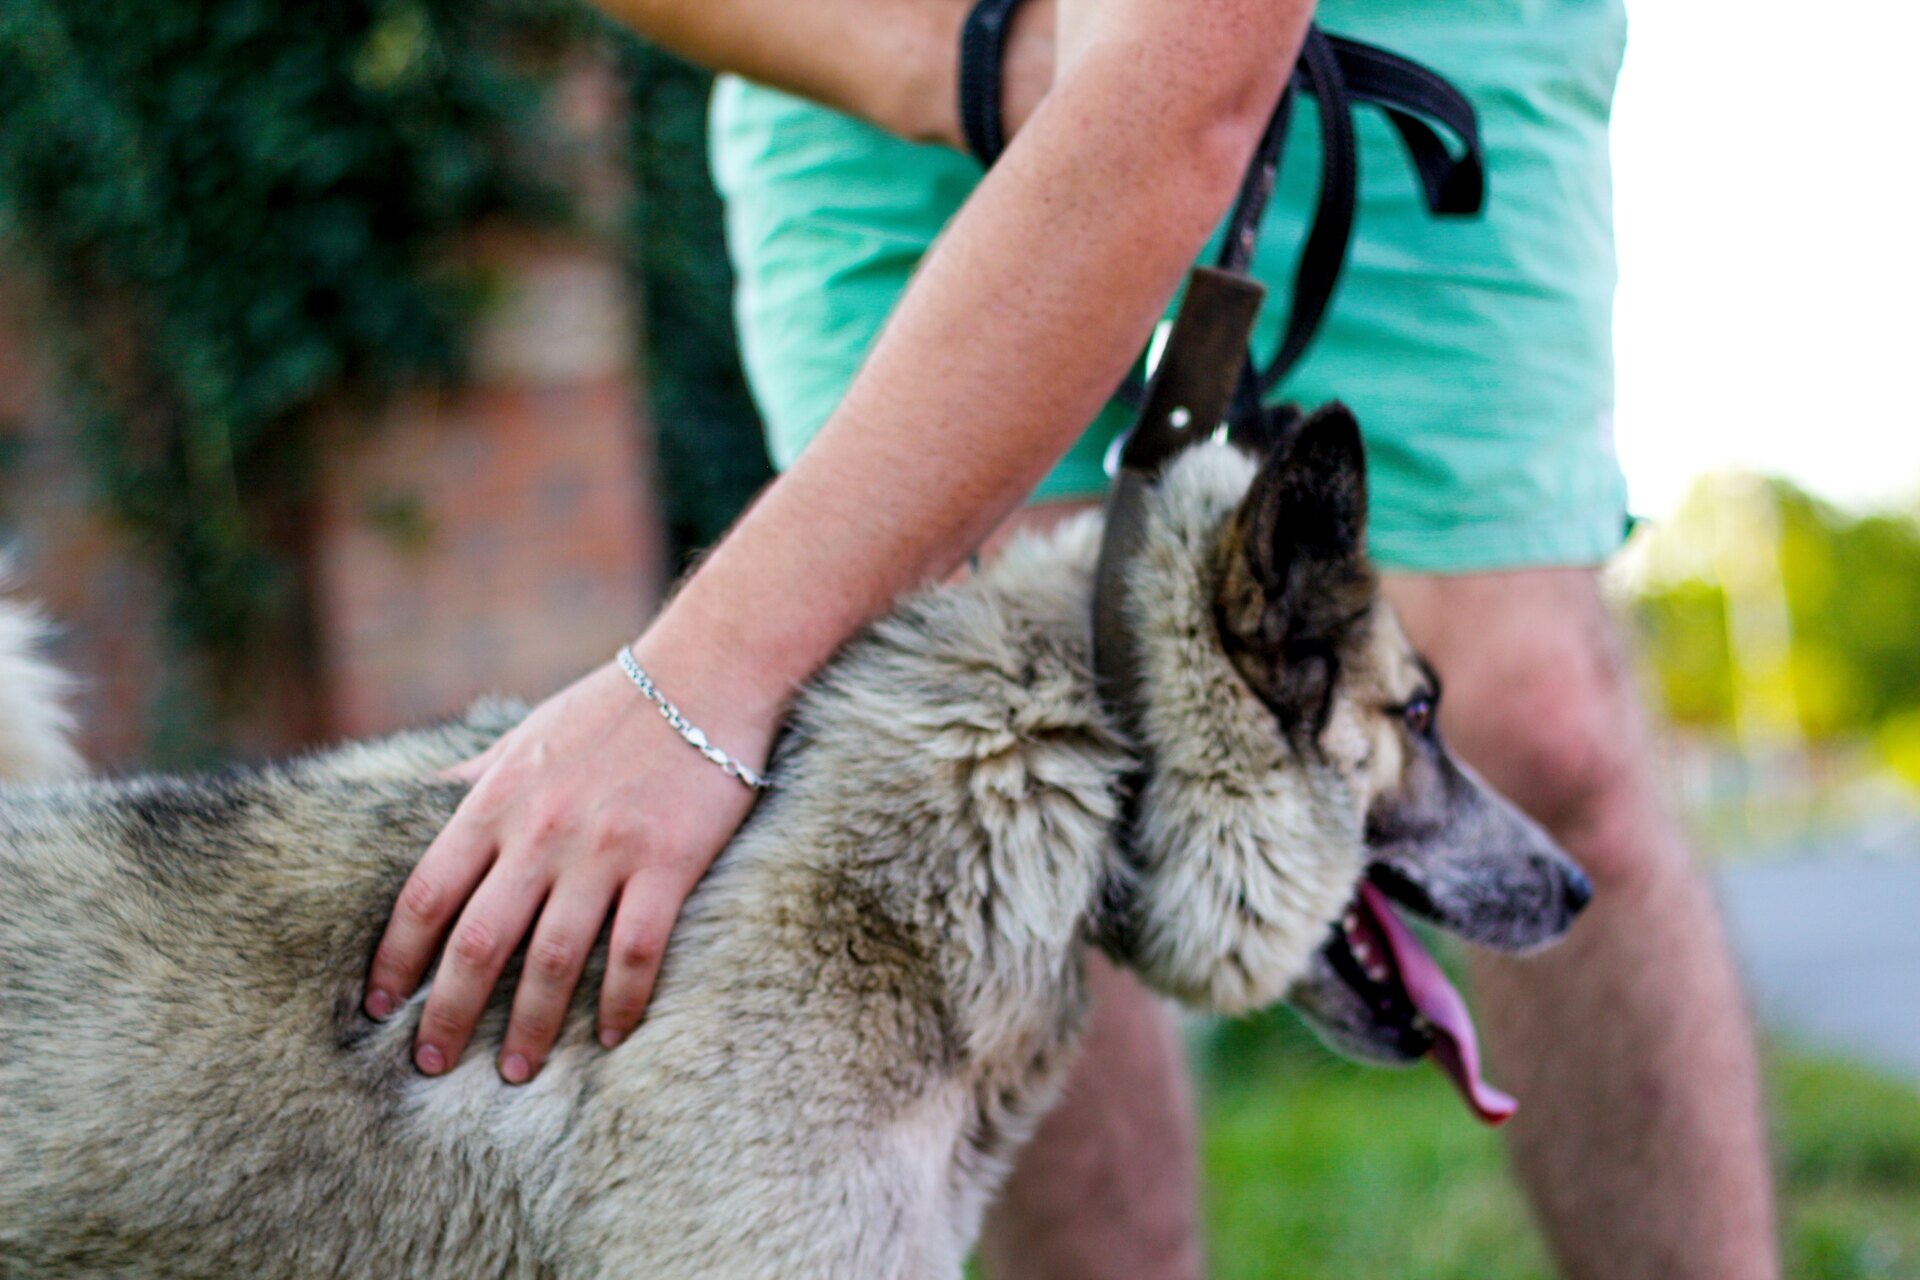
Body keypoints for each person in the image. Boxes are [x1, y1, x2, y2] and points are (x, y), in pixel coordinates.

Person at [361, 0, 1781, 1276]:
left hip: (1381, 38)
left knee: (1536, 725)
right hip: (849, 53)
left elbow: (1185, 88)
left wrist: (701, 676)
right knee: (1003, 775)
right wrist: (952, 57)